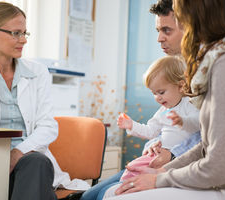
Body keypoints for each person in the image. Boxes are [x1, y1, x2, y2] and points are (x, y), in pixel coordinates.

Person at [103, 0, 225, 199]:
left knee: (114, 195)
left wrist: (161, 177)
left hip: (223, 186)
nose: (159, 38)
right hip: (210, 176)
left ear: (196, 21)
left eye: (180, 21)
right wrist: (162, 172)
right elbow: (207, 145)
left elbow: (219, 165)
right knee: (113, 191)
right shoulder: (212, 63)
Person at [80, 0, 201, 199]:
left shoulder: (206, 72)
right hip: (159, 157)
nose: (159, 39)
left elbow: (206, 136)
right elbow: (162, 128)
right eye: (157, 31)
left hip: (180, 165)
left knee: (105, 194)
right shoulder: (174, 69)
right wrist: (155, 142)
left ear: (189, 28)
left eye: (167, 30)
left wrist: (172, 155)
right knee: (89, 196)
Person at [0, 2, 89, 200]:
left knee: (38, 163)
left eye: (25, 33)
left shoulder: (37, 72)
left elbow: (48, 125)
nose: (23, 40)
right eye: (15, 33)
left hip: (27, 161)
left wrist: (17, 153)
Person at [117, 55, 199, 181]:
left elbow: (200, 124)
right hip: (160, 155)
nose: (157, 98)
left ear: (180, 86)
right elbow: (150, 131)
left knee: (134, 172)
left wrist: (182, 121)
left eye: (161, 92)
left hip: (179, 160)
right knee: (131, 170)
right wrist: (131, 125)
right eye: (154, 93)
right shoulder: (162, 111)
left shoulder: (189, 104)